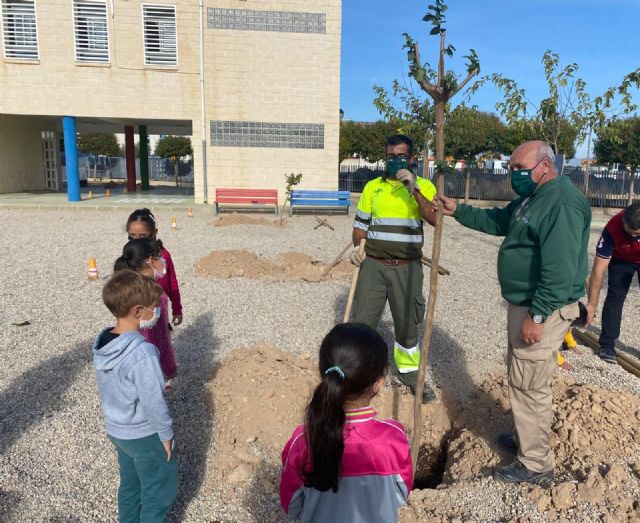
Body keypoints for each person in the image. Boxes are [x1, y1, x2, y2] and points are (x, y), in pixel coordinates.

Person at [436, 140, 591, 484]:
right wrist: (457, 210)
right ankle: (527, 438)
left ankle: (536, 464)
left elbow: (560, 269)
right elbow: (499, 220)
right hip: (526, 304)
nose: (513, 175)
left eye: (519, 168)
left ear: (545, 166)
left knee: (528, 383)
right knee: (523, 377)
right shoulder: (532, 198)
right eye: (511, 168)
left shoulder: (561, 203)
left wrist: (537, 317)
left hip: (541, 308)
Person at [280, 323, 413, 523]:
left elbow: (291, 505)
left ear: (323, 374)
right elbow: (400, 496)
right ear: (378, 384)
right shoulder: (393, 437)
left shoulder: (303, 440)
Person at [349, 134, 438, 403]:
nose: (395, 160)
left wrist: (414, 191)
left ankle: (410, 375)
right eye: (391, 156)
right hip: (373, 267)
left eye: (401, 156)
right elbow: (359, 227)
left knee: (407, 325)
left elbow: (435, 219)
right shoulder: (372, 188)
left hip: (407, 269)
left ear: (411, 159)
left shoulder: (424, 186)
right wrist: (357, 248)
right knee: (362, 324)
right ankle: (360, 375)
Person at [93, 270, 177, 521]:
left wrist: (152, 384)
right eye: (154, 308)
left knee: (130, 486)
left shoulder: (104, 342)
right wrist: (166, 434)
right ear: (138, 311)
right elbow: (153, 402)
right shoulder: (143, 352)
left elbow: (120, 382)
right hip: (144, 433)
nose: (156, 313)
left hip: (118, 430)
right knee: (157, 490)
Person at [115, 238, 178, 384]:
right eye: (160, 258)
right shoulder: (147, 294)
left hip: (141, 362)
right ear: (151, 260)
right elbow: (156, 337)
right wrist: (166, 368)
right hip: (148, 363)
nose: (163, 262)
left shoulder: (130, 287)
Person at [586, 202, 640, 363]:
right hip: (621, 259)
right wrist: (591, 305)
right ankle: (607, 344)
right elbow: (598, 270)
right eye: (628, 232)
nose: (631, 237)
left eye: (636, 234)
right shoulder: (613, 227)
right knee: (615, 297)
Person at [126, 208, 183, 327]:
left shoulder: (164, 255)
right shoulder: (130, 255)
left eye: (142, 236)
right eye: (132, 236)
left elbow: (172, 283)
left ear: (154, 233)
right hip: (135, 312)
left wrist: (177, 309)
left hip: (159, 310)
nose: (136, 240)